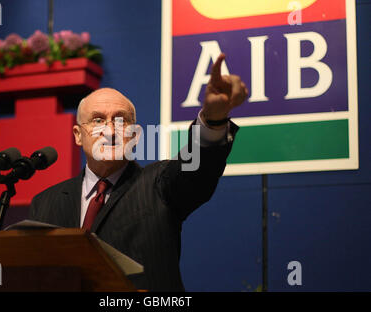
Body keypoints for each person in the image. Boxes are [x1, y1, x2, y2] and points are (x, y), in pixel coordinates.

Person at [28, 53, 249, 291]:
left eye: (121, 121)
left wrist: (213, 120)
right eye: (98, 120)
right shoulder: (45, 203)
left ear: (134, 136)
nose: (111, 130)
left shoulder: (160, 184)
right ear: (78, 135)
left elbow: (198, 167)